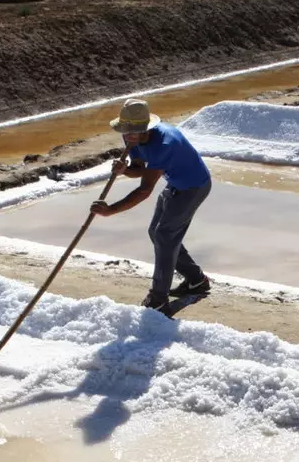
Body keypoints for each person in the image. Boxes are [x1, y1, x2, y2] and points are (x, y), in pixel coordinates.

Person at [91, 98, 213, 313]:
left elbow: (144, 190)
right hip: (174, 184)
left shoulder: (164, 144)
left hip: (193, 187)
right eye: (125, 131)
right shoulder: (133, 138)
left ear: (146, 129)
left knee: (165, 235)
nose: (127, 136)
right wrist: (124, 170)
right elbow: (140, 168)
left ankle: (158, 299)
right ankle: (196, 280)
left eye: (132, 132)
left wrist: (110, 210)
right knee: (157, 233)